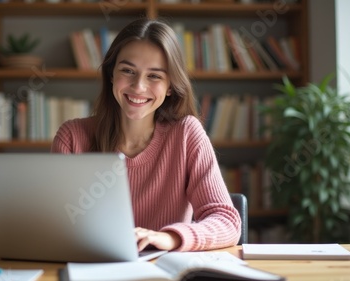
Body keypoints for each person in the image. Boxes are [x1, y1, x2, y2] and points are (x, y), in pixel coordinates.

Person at [51, 18, 241, 252]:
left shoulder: (186, 134)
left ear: (170, 85)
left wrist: (169, 238)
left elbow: (226, 220)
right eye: (128, 71)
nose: (138, 87)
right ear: (112, 74)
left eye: (154, 76)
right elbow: (54, 225)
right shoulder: (72, 137)